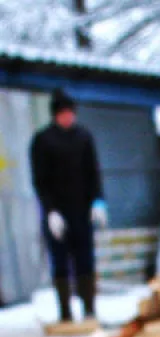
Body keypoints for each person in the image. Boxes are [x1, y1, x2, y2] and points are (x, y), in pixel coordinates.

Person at [30, 89, 108, 324]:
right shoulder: (43, 140)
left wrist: (98, 201)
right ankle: (65, 312)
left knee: (85, 261)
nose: (68, 117)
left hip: (82, 211)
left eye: (71, 113)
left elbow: (93, 173)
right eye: (64, 113)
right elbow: (40, 181)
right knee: (61, 262)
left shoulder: (83, 137)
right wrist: (50, 211)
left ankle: (89, 309)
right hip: (57, 214)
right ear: (56, 114)